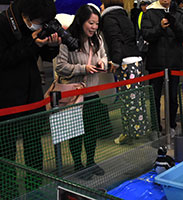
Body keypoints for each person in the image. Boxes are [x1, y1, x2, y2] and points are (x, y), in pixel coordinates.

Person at [0, 0, 61, 198]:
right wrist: (31, 43)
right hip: (6, 100)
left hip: (33, 95)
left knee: (34, 148)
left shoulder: (33, 22)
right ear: (25, 16)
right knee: (6, 152)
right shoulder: (2, 24)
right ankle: (8, 192)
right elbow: (4, 59)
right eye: (37, 22)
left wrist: (51, 46)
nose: (38, 25)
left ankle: (35, 189)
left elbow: (44, 55)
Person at [56, 4, 108, 180]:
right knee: (76, 131)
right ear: (81, 21)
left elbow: (104, 57)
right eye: (90, 23)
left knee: (91, 130)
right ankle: (78, 164)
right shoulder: (67, 39)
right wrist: (83, 68)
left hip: (92, 92)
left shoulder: (97, 39)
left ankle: (91, 161)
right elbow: (60, 66)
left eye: (96, 24)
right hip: (74, 94)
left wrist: (102, 64)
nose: (94, 27)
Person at [101, 0, 150, 145]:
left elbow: (115, 41)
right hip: (135, 61)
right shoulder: (124, 16)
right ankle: (139, 130)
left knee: (128, 101)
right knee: (136, 99)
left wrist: (115, 61)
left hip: (124, 63)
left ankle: (130, 133)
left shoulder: (109, 19)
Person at [141, 0, 183, 136]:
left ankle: (171, 125)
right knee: (154, 97)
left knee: (173, 97)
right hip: (155, 62)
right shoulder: (149, 13)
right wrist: (159, 27)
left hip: (174, 62)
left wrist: (174, 23)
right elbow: (146, 34)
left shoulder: (180, 13)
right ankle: (155, 127)